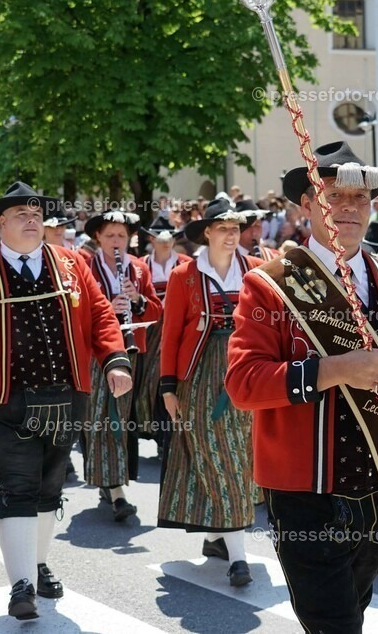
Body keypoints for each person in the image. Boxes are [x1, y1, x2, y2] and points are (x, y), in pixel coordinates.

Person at [225, 141, 378, 631]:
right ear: (308, 205)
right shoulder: (270, 284)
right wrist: (334, 370)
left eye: (361, 199)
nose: (350, 208)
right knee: (334, 624)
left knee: (349, 614)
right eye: (335, 196)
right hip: (305, 492)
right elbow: (243, 384)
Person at [0, 182, 133, 621]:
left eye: (36, 211)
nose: (32, 218)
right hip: (2, 403)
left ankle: (37, 564)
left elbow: (100, 315)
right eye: (20, 213)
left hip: (66, 396)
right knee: (17, 487)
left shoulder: (72, 262)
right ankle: (20, 584)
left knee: (49, 489)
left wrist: (115, 361)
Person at [158, 198, 261, 587]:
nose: (232, 234)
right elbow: (171, 334)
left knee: (239, 455)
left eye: (237, 228)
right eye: (224, 228)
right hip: (199, 377)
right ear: (207, 233)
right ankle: (239, 558)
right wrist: (168, 387)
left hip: (245, 372)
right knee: (218, 453)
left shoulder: (254, 270)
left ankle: (217, 537)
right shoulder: (185, 276)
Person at [81, 210, 162, 521]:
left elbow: (157, 308)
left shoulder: (139, 269)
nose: (117, 242)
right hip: (98, 353)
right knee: (102, 415)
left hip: (132, 350)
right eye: (110, 236)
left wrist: (137, 301)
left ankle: (113, 479)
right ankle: (116, 490)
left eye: (122, 236)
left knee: (123, 417)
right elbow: (76, 309)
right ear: (98, 238)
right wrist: (105, 308)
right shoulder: (85, 267)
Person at [136, 217, 193, 456]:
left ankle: (168, 436)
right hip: (151, 330)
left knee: (171, 379)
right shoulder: (141, 265)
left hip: (178, 327)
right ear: (151, 239)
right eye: (162, 239)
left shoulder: (187, 264)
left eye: (171, 238)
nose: (167, 243)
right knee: (150, 382)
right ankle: (155, 431)